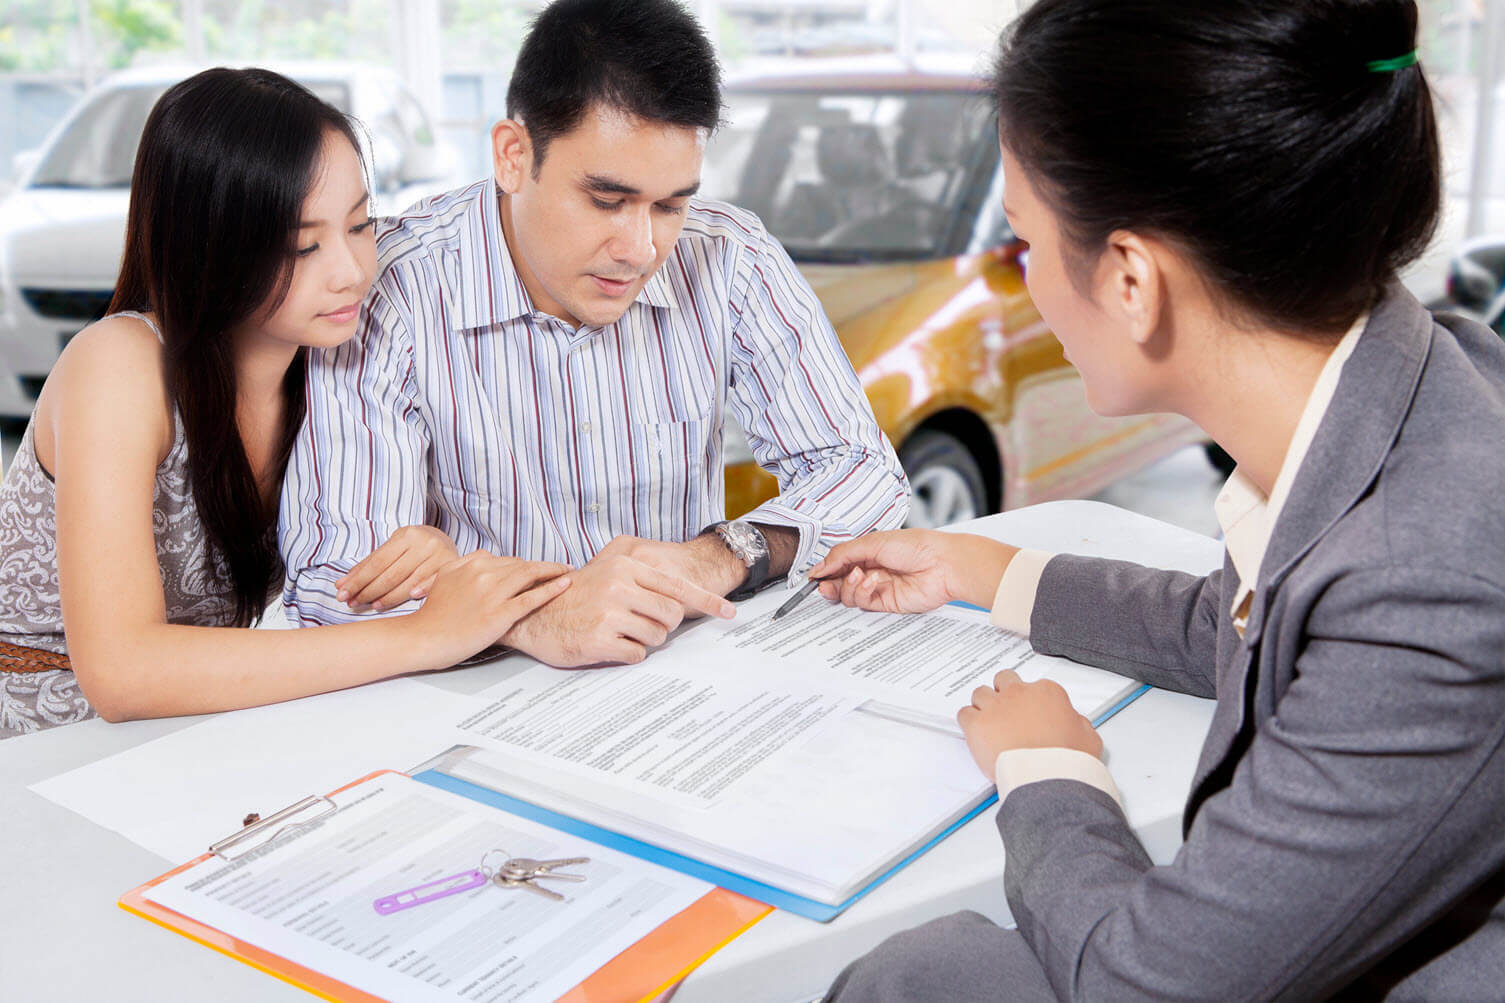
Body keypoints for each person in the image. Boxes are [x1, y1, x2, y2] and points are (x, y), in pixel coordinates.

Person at [815, 1, 1505, 998]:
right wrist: (978, 568)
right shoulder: (1410, 378)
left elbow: (1145, 984)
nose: (1027, 282)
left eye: (1025, 243)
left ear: (1130, 277)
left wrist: (1049, 773)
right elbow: (1245, 625)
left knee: (912, 975)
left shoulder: (1422, 580)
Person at [278, 0, 910, 667]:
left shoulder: (729, 256)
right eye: (606, 201)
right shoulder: (393, 289)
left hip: (678, 674)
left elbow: (863, 471)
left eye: (670, 204)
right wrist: (539, 613)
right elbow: (333, 584)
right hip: (472, 692)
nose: (640, 248)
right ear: (513, 156)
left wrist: (720, 554)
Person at [0, 68, 572, 737]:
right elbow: (123, 671)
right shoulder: (121, 365)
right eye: (303, 244)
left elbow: (343, 586)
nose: (352, 270)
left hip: (183, 731)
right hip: (40, 738)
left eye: (359, 225)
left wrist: (425, 552)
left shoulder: (332, 358)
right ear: (208, 245)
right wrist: (423, 634)